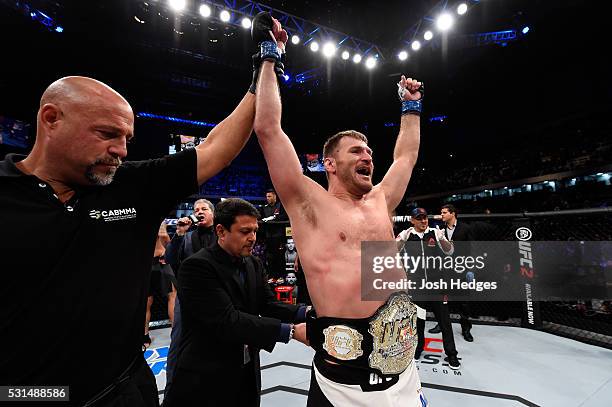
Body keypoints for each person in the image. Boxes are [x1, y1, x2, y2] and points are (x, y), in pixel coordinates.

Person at [0, 75, 256, 406]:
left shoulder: (131, 184)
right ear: (51, 119)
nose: (121, 149)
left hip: (127, 389)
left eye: (127, 138)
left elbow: (215, 148)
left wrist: (265, 64)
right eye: (107, 133)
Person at [252, 14, 427, 406]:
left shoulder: (381, 199)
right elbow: (268, 130)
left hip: (402, 366)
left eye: (369, 151)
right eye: (356, 151)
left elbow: (407, 155)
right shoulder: (309, 202)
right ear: (329, 164)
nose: (368, 156)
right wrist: (269, 56)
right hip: (342, 379)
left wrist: (411, 107)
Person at [162, 198, 309, 407]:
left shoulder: (253, 262)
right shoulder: (196, 267)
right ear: (221, 231)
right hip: (206, 374)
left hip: (246, 368)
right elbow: (227, 320)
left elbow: (267, 305)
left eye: (255, 231)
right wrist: (291, 332)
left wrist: (309, 312)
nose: (252, 238)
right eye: (244, 231)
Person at [396, 208, 461, 370]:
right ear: (412, 220)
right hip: (417, 288)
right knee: (418, 322)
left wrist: (442, 238)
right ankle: (418, 349)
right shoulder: (407, 235)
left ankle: (452, 354)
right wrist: (400, 240)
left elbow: (450, 251)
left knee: (445, 322)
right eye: (419, 218)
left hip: (437, 286)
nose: (424, 221)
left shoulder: (435, 233)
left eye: (425, 218)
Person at [163, 198, 216, 391]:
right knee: (177, 343)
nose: (199, 211)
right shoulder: (186, 236)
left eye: (204, 209)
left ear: (212, 213)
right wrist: (179, 233)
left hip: (217, 297)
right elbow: (170, 259)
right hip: (189, 298)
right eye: (196, 209)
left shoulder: (222, 234)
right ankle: (172, 388)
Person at [440, 203, 475, 342]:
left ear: (452, 213)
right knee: (443, 300)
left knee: (463, 301)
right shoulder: (440, 230)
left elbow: (471, 249)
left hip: (461, 269)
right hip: (445, 269)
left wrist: (470, 269)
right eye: (441, 212)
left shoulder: (465, 228)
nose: (441, 215)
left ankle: (466, 329)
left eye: (444, 212)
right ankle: (441, 325)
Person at [145, 221, 176, 348]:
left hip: (149, 263)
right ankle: (176, 335)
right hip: (162, 261)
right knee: (173, 297)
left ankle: (144, 335)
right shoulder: (159, 219)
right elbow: (164, 238)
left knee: (147, 301)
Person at [259, 188, 288, 277]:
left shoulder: (281, 206)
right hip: (268, 236)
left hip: (279, 236)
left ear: (274, 196)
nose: (267, 198)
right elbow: (260, 219)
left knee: (280, 257)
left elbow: (284, 216)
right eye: (266, 196)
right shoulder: (264, 208)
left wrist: (273, 218)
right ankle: (272, 276)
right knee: (270, 257)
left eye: (269, 196)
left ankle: (281, 276)